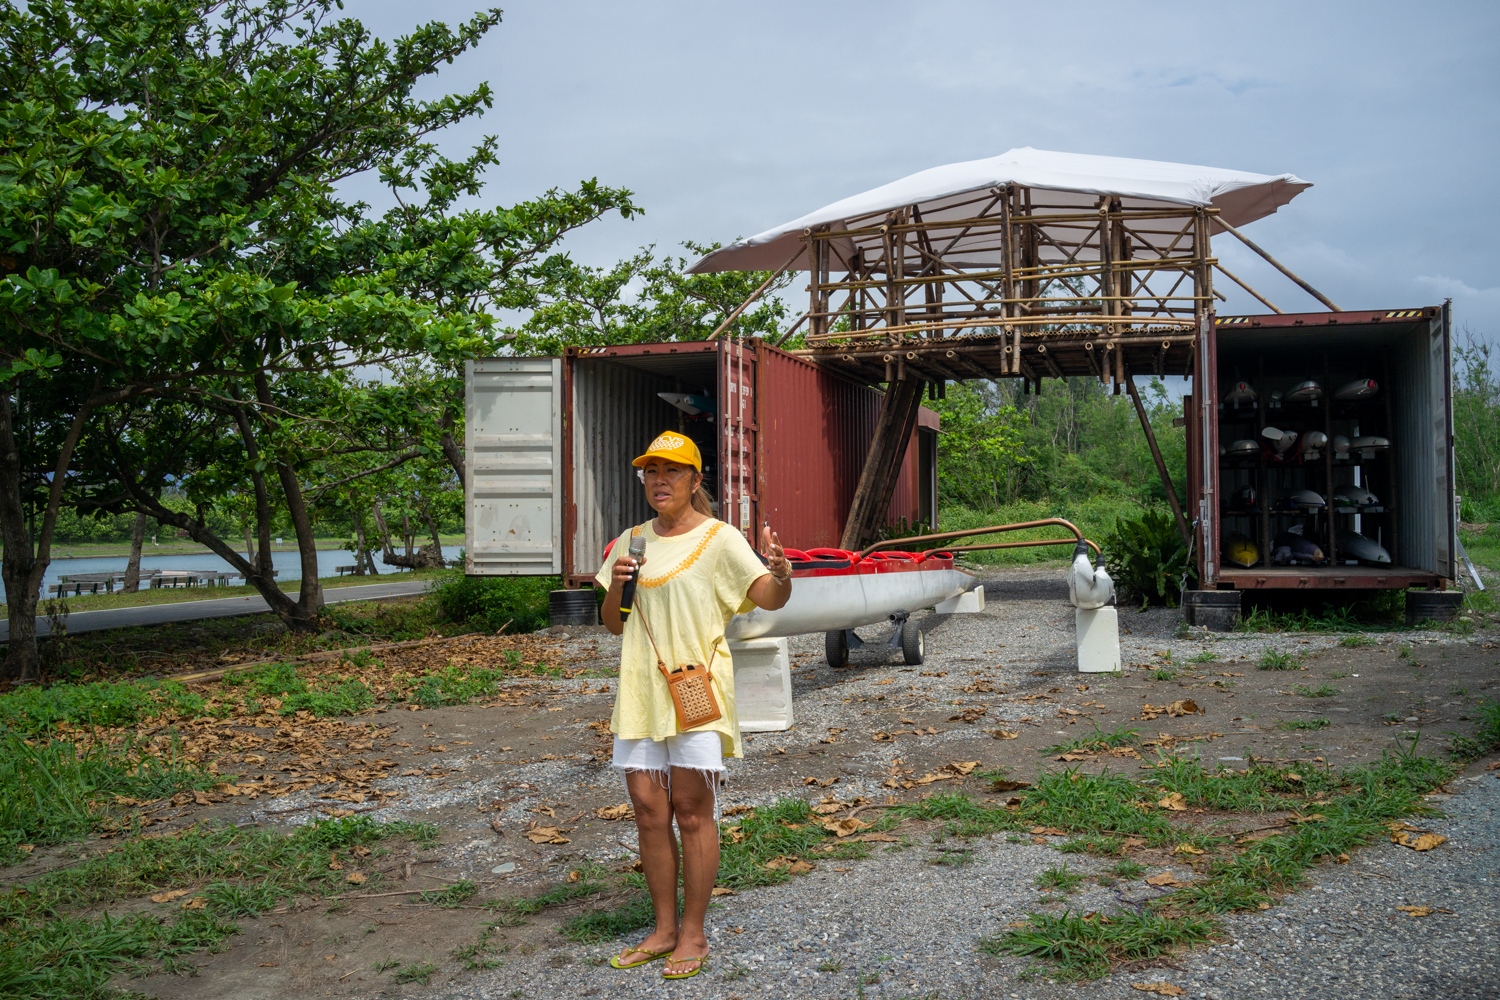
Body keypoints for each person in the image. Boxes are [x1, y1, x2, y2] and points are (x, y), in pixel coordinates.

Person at [597, 430, 791, 981]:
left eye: (672, 471)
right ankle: (661, 929)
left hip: (697, 689)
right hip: (641, 688)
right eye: (651, 472)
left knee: (690, 807)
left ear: (695, 480)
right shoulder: (630, 541)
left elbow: (768, 597)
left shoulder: (720, 538)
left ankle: (693, 932)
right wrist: (616, 584)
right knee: (647, 808)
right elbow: (616, 623)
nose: (659, 481)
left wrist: (782, 573)